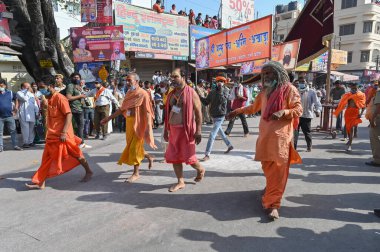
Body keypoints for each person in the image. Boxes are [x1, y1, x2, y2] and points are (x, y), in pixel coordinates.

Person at [227, 61, 303, 220]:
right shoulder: (264, 92)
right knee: (268, 168)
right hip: (265, 139)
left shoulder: (289, 89)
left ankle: (273, 205)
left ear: (279, 73)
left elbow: (298, 109)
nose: (267, 76)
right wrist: (236, 111)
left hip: (280, 140)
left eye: (270, 73)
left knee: (279, 171)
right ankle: (271, 190)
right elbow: (253, 108)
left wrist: (284, 112)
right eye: (265, 74)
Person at [25, 78, 93, 189]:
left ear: (51, 85)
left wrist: (64, 132)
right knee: (46, 158)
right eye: (39, 87)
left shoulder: (60, 98)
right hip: (52, 134)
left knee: (77, 154)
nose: (40, 90)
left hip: (63, 134)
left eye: (42, 87)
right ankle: (40, 181)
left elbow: (69, 115)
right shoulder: (47, 99)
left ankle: (89, 171)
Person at [100, 73, 156, 183]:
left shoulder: (143, 94)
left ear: (137, 81)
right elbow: (122, 109)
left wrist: (148, 127)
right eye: (127, 80)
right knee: (133, 146)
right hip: (129, 122)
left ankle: (136, 173)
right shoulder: (129, 93)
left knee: (134, 148)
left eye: (129, 80)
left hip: (139, 123)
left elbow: (148, 111)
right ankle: (149, 156)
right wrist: (108, 118)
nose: (127, 82)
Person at [164, 68, 205, 192]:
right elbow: (168, 112)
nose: (173, 79)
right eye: (172, 77)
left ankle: (200, 169)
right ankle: (180, 181)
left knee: (190, 158)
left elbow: (198, 113)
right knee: (174, 157)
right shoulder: (171, 93)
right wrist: (166, 130)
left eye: (175, 76)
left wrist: (198, 131)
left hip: (187, 131)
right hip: (173, 130)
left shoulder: (191, 92)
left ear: (183, 77)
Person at [198, 76, 233, 161]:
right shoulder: (212, 92)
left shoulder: (226, 90)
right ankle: (229, 145)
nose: (220, 83)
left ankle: (207, 154)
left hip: (220, 115)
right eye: (218, 81)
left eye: (221, 81)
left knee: (212, 134)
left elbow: (223, 101)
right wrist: (199, 96)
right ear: (216, 82)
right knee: (220, 132)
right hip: (213, 115)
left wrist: (220, 90)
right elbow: (206, 102)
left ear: (224, 82)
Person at [334, 83, 366, 151]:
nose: (354, 90)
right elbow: (342, 103)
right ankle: (349, 140)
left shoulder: (361, 95)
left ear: (357, 88)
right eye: (352, 88)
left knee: (351, 128)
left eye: (355, 88)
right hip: (348, 113)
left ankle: (350, 145)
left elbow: (363, 106)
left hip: (355, 113)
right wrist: (339, 108)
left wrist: (361, 114)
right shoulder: (347, 95)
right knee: (348, 128)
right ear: (351, 88)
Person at [293, 77, 321, 152]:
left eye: (303, 81)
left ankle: (309, 146)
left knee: (307, 132)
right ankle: (293, 148)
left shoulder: (311, 92)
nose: (302, 83)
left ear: (306, 82)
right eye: (300, 82)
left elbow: (317, 103)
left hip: (307, 115)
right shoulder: (295, 91)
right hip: (296, 115)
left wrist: (317, 110)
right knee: (294, 133)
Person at [0, 79, 23, 152]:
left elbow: (16, 99)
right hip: (0, 117)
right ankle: (1, 147)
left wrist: (16, 108)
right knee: (0, 133)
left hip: (9, 115)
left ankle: (15, 145)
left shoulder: (10, 93)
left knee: (13, 131)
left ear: (5, 85)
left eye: (1, 86)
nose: (0, 87)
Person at [16, 82, 39, 148]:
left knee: (31, 129)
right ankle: (25, 142)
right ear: (23, 87)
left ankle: (30, 142)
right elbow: (24, 99)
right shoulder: (19, 93)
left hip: (31, 114)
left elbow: (35, 104)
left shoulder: (32, 94)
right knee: (25, 129)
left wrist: (37, 112)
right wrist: (27, 91)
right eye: (27, 87)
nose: (29, 88)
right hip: (23, 114)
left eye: (29, 87)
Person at [365, 88, 380, 166]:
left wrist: (373, 119)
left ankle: (377, 160)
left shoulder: (379, 92)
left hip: (378, 118)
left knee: (375, 139)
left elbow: (378, 107)